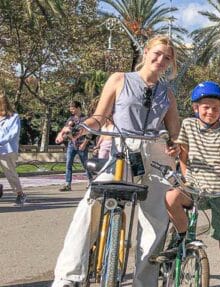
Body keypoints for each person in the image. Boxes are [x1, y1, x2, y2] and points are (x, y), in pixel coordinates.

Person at [52, 35, 181, 287]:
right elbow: (99, 117)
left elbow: (174, 131)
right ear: (146, 52)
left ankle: (145, 282)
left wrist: (176, 145)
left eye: (167, 58)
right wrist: (81, 128)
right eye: (157, 53)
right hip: (122, 149)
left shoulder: (168, 94)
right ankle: (67, 278)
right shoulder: (120, 79)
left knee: (156, 219)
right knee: (91, 205)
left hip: (154, 153)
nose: (161, 60)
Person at [164, 81, 220, 287]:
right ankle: (182, 237)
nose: (210, 112)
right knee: (171, 197)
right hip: (196, 188)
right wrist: (184, 173)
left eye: (215, 108)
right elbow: (183, 151)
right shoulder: (189, 125)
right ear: (196, 107)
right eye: (206, 107)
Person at [55, 101, 91, 191]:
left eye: (73, 109)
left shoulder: (85, 118)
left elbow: (89, 133)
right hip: (72, 144)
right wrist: (61, 136)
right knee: (68, 164)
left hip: (82, 144)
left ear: (78, 108)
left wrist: (84, 144)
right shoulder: (70, 119)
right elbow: (65, 129)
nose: (71, 111)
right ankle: (68, 184)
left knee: (85, 164)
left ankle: (90, 182)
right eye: (70, 109)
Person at [0, 92, 25, 207]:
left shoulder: (14, 117)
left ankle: (20, 194)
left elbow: (13, 134)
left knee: (10, 173)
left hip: (7, 149)